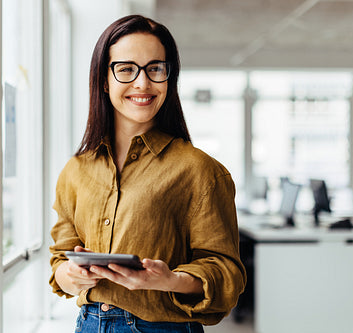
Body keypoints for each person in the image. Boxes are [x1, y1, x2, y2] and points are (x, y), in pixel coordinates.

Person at [49, 14, 246, 332]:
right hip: (88, 324)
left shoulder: (200, 171)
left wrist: (170, 279)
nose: (142, 83)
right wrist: (72, 275)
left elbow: (227, 275)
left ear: (169, 77)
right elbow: (61, 258)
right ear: (104, 79)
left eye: (155, 69)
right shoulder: (76, 170)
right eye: (126, 69)